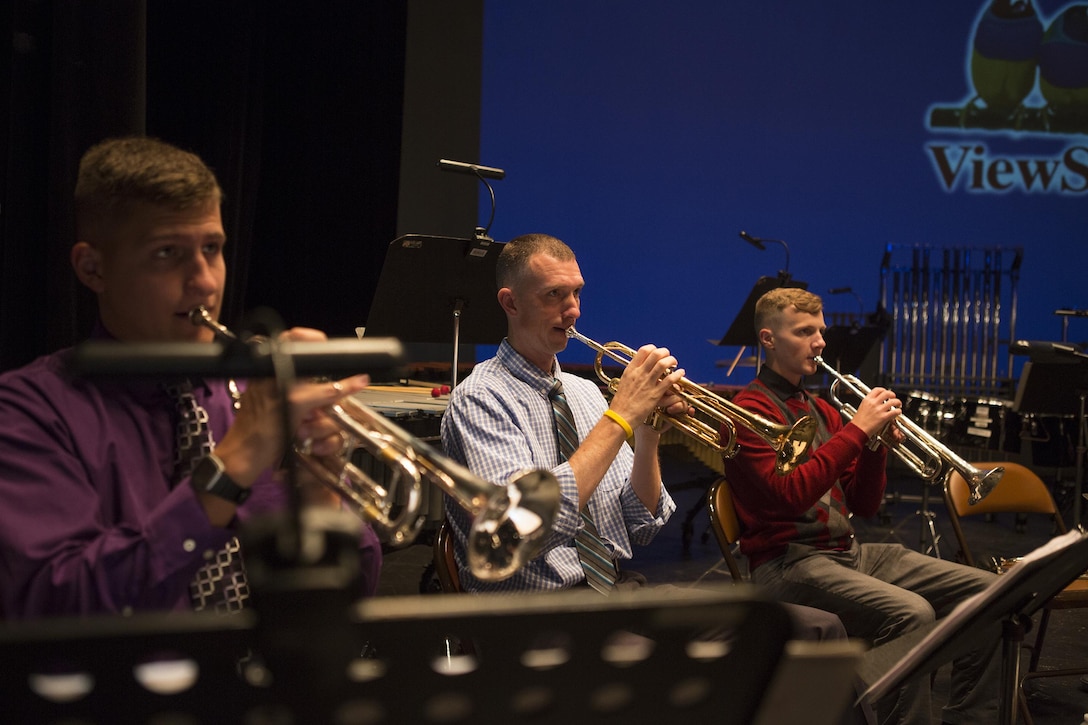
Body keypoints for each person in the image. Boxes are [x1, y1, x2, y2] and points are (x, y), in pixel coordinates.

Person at [0, 136, 382, 619]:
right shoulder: (29, 410)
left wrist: (319, 491)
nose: (204, 280)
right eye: (167, 253)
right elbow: (65, 606)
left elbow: (346, 601)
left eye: (212, 248)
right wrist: (232, 465)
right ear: (93, 268)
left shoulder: (251, 401)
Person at [439, 234, 849, 643]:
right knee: (702, 670)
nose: (573, 310)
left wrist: (650, 433)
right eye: (554, 295)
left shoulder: (582, 392)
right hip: (536, 616)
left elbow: (641, 522)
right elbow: (521, 529)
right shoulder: (480, 398)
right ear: (510, 303)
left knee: (813, 628)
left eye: (577, 293)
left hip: (615, 595)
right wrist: (621, 416)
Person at [720, 286, 1000, 725]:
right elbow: (789, 496)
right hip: (787, 564)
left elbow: (865, 505)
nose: (820, 342)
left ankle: (969, 718)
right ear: (769, 340)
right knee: (912, 614)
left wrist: (875, 447)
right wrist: (857, 432)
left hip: (849, 554)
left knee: (989, 592)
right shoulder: (746, 411)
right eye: (805, 331)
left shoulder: (822, 410)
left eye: (821, 331)